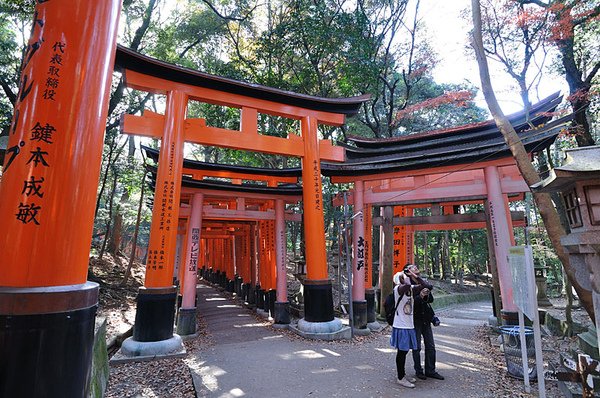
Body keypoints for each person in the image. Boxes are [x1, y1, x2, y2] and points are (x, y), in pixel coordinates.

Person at [404, 263, 445, 381]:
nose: (416, 267)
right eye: (412, 267)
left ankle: (430, 370)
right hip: (414, 320)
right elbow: (408, 304)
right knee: (416, 347)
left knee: (431, 346)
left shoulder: (423, 283)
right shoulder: (406, 285)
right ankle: (418, 370)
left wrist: (426, 295)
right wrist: (420, 296)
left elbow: (430, 300)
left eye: (416, 266)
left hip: (425, 319)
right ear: (407, 272)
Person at [390, 269, 428, 388]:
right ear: (399, 281)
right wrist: (404, 277)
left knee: (405, 352)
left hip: (408, 325)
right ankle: (400, 377)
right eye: (402, 277)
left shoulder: (410, 289)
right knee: (402, 352)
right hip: (401, 326)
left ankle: (402, 375)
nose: (406, 278)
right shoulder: (398, 290)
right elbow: (406, 284)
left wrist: (415, 276)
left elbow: (425, 286)